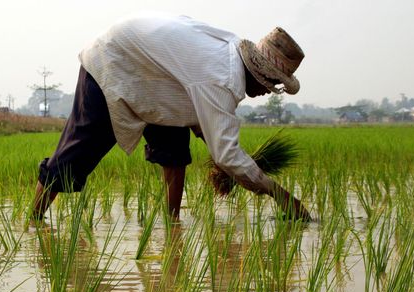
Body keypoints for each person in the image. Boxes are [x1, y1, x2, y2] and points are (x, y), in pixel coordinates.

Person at [32, 12, 310, 223]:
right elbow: (226, 155)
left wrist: (214, 141)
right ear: (260, 76)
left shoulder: (229, 51)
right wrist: (280, 195)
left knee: (175, 153)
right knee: (78, 153)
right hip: (115, 60)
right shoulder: (223, 79)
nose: (266, 94)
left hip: (160, 79)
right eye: (269, 87)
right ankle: (33, 222)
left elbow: (197, 95)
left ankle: (171, 224)